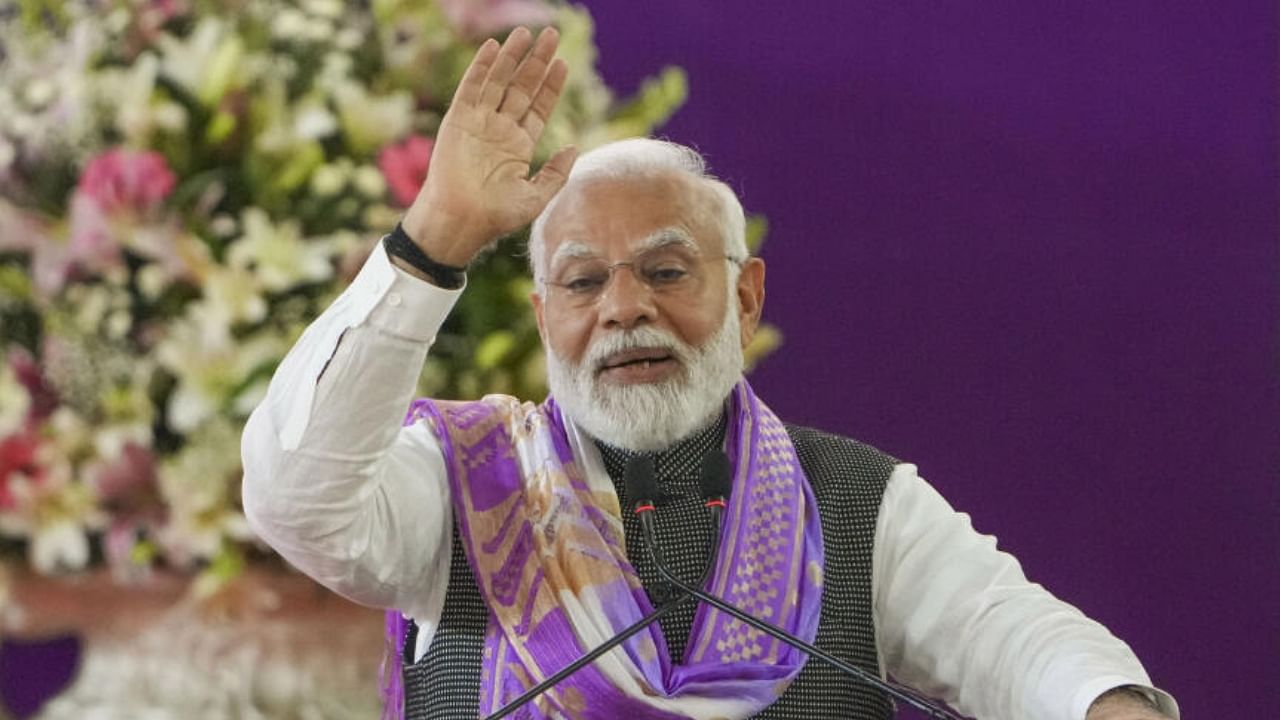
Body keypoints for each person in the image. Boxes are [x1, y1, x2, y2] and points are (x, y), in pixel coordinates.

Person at [240, 26, 1179, 720]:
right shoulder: (455, 488)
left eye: (665, 270)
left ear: (744, 297)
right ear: (542, 316)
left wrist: (1107, 707)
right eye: (581, 282)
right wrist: (437, 235)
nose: (623, 308)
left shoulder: (855, 501)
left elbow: (1004, 634)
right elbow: (297, 501)